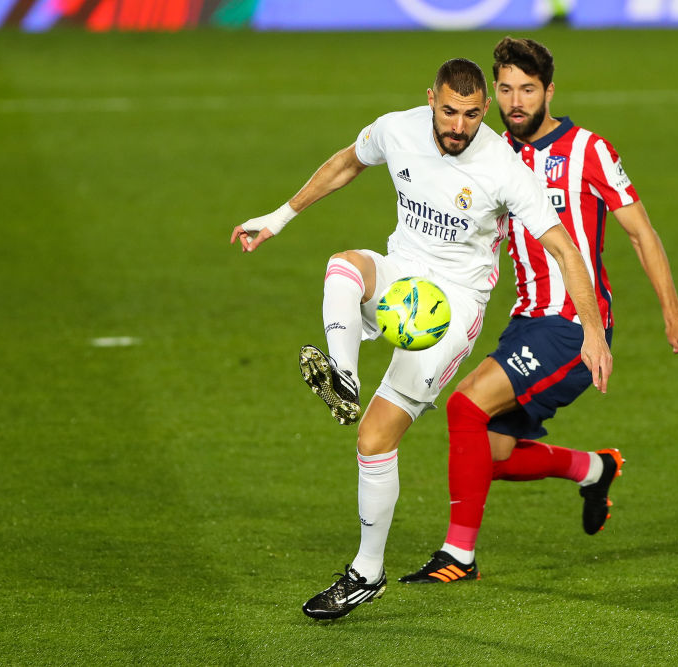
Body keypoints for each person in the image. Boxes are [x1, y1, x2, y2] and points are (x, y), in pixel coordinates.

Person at [229, 58, 612, 620]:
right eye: (450, 111)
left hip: (453, 306)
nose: (459, 126)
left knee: (374, 438)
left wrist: (593, 332)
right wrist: (278, 217)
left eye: (472, 115)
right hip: (403, 275)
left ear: (485, 110)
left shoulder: (503, 167)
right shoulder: (397, 128)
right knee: (343, 266)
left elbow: (564, 248)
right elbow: (347, 162)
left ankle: (365, 570)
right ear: (430, 98)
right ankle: (345, 377)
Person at [399, 38, 678, 584]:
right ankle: (594, 469)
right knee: (489, 454)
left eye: (528, 89)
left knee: (464, 408)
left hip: (573, 326)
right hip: (525, 322)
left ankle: (458, 557)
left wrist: (673, 312)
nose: (516, 101)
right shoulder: (492, 152)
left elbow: (641, 232)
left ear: (549, 91)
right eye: (506, 89)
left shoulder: (588, 150)